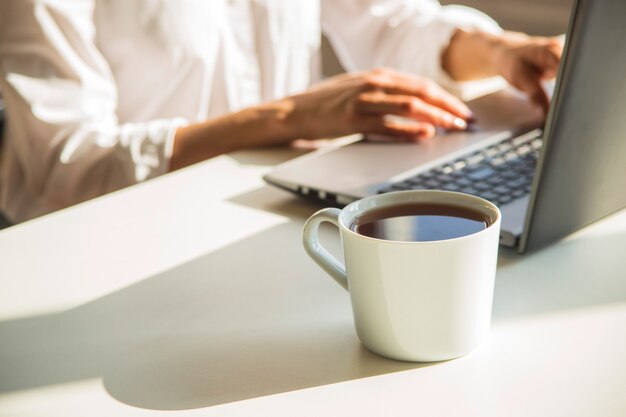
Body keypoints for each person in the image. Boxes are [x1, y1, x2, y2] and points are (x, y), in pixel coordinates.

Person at [0, 0, 562, 223]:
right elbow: (68, 165)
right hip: (107, 234)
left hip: (271, 211)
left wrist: (498, 52)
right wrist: (290, 115)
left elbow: (390, 21)